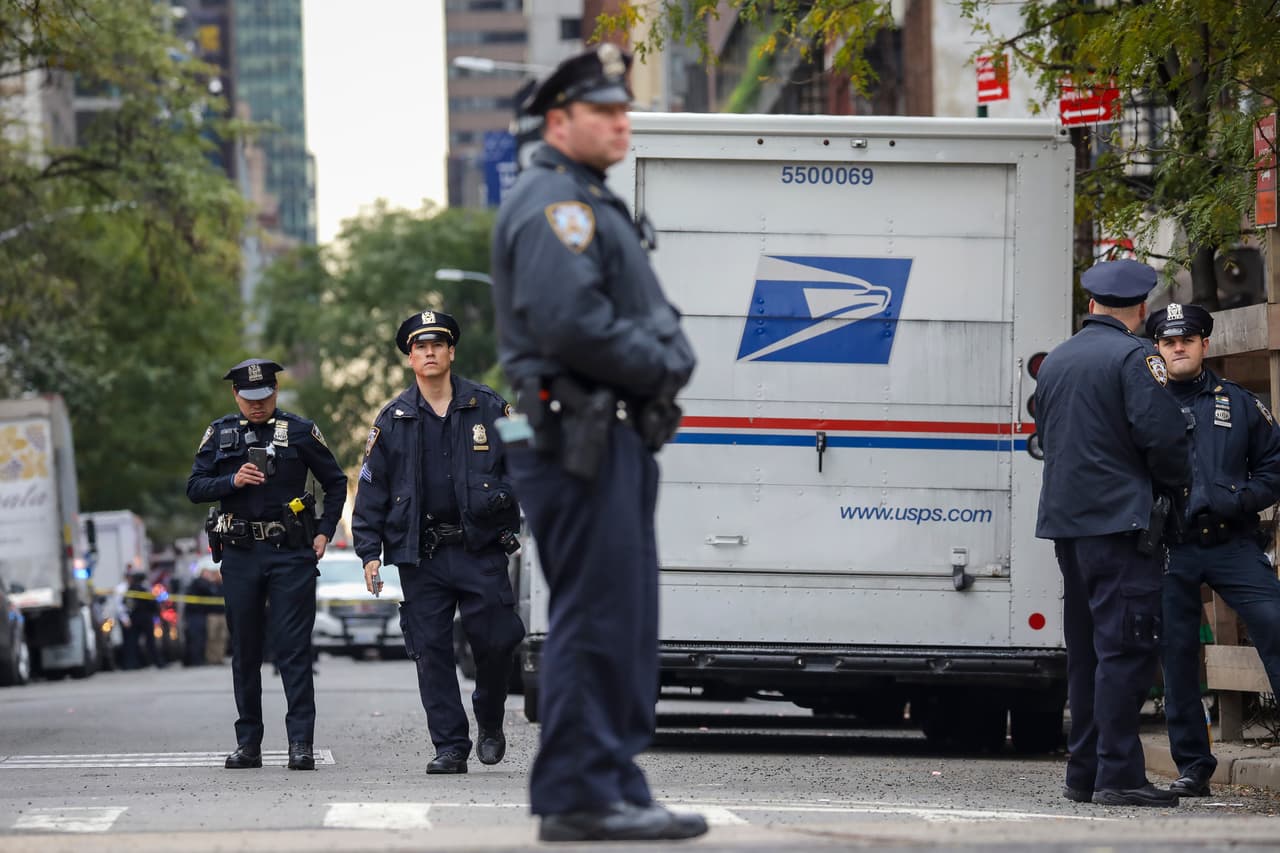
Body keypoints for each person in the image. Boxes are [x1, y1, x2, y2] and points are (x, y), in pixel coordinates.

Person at [490, 45, 707, 843]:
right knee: (594, 616)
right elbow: (571, 323)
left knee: (622, 617)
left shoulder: (583, 198)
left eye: (625, 108)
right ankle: (580, 793)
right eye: (605, 111)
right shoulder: (558, 204)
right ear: (559, 121)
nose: (623, 120)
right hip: (576, 436)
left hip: (605, 437)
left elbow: (637, 308)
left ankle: (611, 779)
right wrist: (666, 359)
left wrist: (665, 348)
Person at [1033, 259, 1192, 807]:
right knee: (1127, 648)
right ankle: (1120, 774)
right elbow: (1165, 441)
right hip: (1121, 525)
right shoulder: (1136, 357)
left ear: (1094, 303)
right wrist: (1179, 489)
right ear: (1141, 308)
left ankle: (1085, 772)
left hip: (1068, 526)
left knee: (1087, 652)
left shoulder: (1057, 359)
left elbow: (1048, 437)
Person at [352, 310, 526, 775]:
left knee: (495, 642)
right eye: (419, 347)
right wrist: (369, 552)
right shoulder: (392, 420)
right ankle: (450, 745)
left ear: (451, 352)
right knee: (430, 650)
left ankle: (489, 718)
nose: (428, 353)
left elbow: (530, 461)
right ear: (410, 358)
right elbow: (371, 492)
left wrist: (511, 499)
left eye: (437, 345)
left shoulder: (491, 406)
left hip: (480, 548)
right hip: (421, 554)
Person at [187, 358, 347, 771]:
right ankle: (248, 744)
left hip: (291, 552)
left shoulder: (299, 429)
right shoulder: (220, 433)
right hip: (240, 554)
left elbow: (335, 481)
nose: (257, 405)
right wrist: (231, 481)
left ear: (275, 392)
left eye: (264, 397)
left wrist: (325, 531)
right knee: (245, 650)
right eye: (248, 398)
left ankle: (300, 744)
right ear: (235, 395)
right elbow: (194, 487)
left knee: (293, 650)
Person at [1147, 303, 1280, 798]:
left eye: (1187, 339)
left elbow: (1274, 464)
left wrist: (1242, 498)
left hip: (1231, 541)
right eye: (1167, 341)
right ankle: (1193, 768)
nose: (1177, 347)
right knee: (1178, 654)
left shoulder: (1239, 403)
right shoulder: (1144, 401)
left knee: (1274, 621)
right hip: (1169, 547)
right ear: (1156, 348)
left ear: (1205, 344)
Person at [203, 567, 228, 665]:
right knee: (212, 637)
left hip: (222, 614)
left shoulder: (224, 586)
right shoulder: (210, 586)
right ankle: (211, 658)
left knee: (222, 637)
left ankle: (220, 657)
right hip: (212, 615)